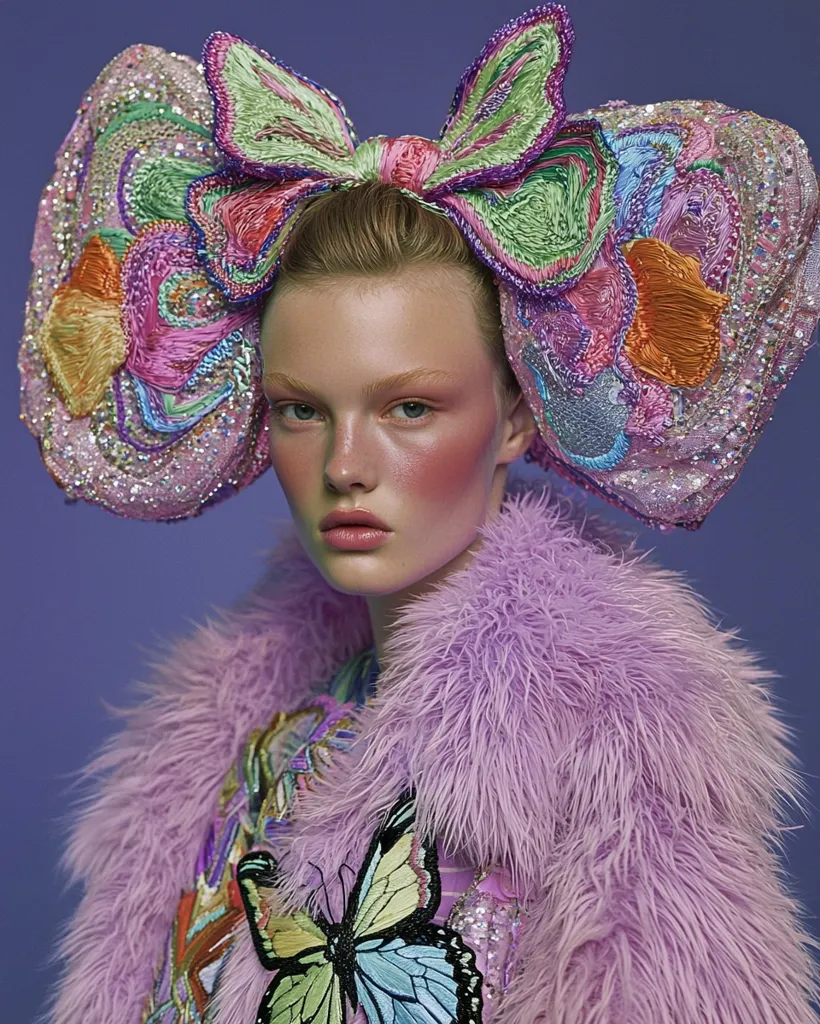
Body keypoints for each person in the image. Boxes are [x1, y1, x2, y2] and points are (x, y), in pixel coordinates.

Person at [19, 5, 820, 1023]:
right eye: (303, 409)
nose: (346, 465)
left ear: (520, 411)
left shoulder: (620, 760)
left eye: (409, 407)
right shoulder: (254, 745)